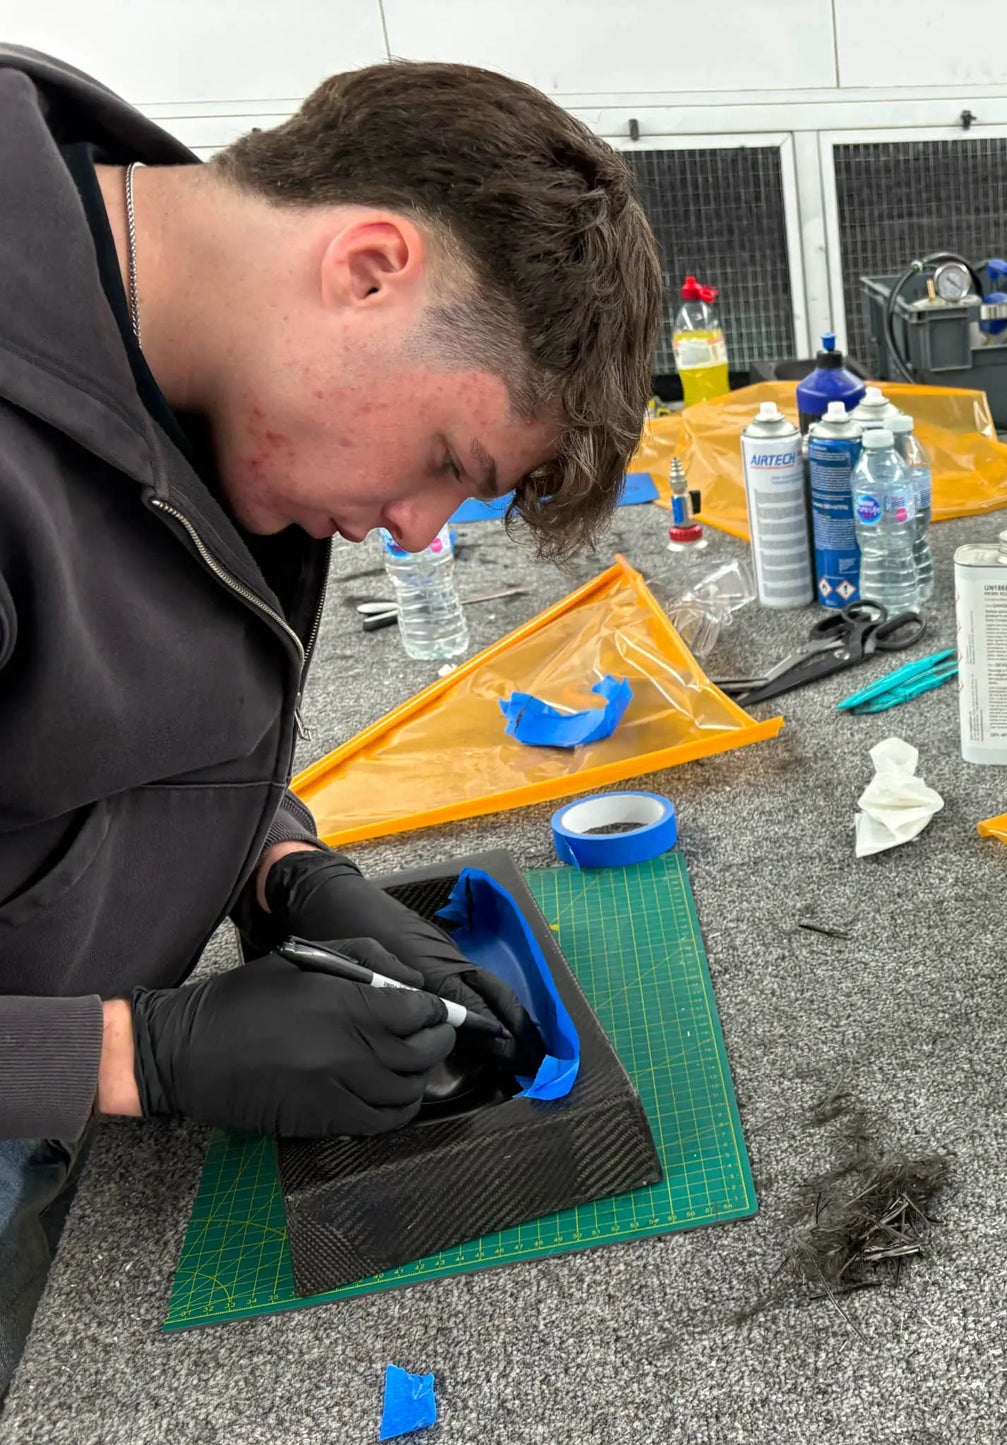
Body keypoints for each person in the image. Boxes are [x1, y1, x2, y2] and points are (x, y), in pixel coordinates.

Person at [0, 44, 661, 1395]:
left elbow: (94, 731)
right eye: (445, 465)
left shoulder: (175, 360)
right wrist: (136, 1056)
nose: (417, 535)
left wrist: (281, 868)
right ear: (369, 267)